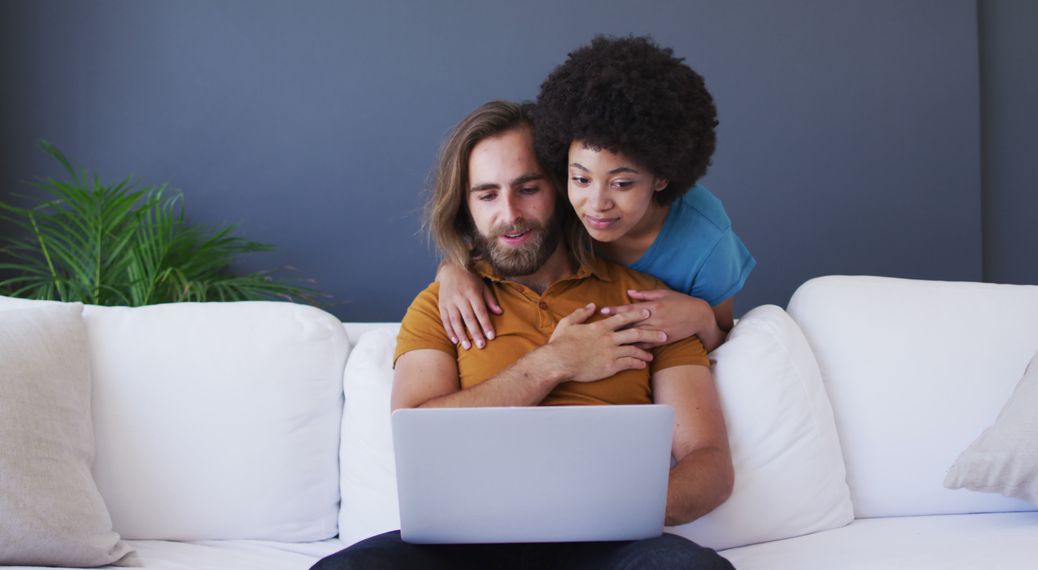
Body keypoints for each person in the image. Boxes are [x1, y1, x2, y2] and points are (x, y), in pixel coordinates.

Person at [311, 100, 735, 569]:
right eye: (487, 195)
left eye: (528, 189)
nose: (510, 214)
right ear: (465, 207)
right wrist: (555, 362)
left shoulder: (649, 302)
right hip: (462, 544)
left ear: (560, 187)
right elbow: (418, 430)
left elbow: (709, 462)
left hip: (610, 543)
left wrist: (616, 509)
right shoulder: (439, 305)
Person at [436, 35, 755, 354]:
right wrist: (452, 270)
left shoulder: (707, 240)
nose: (597, 205)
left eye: (622, 184)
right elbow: (500, 237)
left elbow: (722, 345)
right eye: (581, 178)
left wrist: (702, 318)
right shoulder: (559, 201)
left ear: (661, 177)